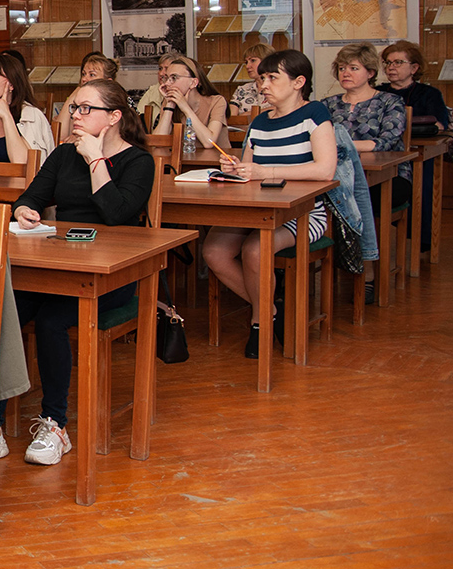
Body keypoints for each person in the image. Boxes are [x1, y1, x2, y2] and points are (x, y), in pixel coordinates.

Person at [0, 79, 153, 469]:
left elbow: (116, 213)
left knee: (50, 323)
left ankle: (55, 425)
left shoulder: (138, 162)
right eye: (73, 108)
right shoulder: (64, 156)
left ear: (114, 117)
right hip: (58, 265)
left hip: (113, 275)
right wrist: (25, 210)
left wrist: (96, 159)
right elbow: (31, 196)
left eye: (84, 109)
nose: (74, 116)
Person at [202, 50, 336, 358]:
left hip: (303, 213)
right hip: (258, 210)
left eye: (273, 77)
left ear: (298, 82)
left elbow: (324, 169)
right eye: (262, 77)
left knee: (254, 250)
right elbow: (250, 170)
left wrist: (268, 172)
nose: (263, 84)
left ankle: (259, 322)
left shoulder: (315, 114)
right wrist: (236, 170)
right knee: (213, 251)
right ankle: (273, 308)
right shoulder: (260, 122)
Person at [324, 44, 407, 294]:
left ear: (371, 72)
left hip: (387, 178)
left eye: (353, 68)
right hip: (336, 179)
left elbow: (386, 141)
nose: (345, 73)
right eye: (341, 68)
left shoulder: (390, 101)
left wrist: (342, 145)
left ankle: (366, 272)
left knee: (359, 198)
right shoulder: (326, 104)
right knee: (316, 199)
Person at [379, 40, 448, 251]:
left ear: (414, 68)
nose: (391, 67)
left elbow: (440, 124)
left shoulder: (429, 94)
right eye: (388, 63)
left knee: (423, 184)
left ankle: (422, 239)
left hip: (418, 153)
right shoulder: (377, 93)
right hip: (383, 155)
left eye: (398, 62)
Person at [152, 54, 231, 154]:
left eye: (174, 78)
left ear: (193, 82)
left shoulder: (217, 101)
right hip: (183, 163)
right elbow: (158, 142)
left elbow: (209, 142)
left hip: (216, 164)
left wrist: (185, 107)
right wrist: (169, 106)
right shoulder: (169, 102)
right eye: (166, 78)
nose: (167, 83)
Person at [54, 52, 118, 140]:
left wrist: (80, 137)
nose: (84, 79)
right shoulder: (80, 102)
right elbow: (59, 135)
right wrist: (75, 92)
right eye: (84, 74)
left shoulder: (116, 102)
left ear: (108, 81)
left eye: (92, 75)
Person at [134, 55, 180, 129]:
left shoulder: (183, 93)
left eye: (166, 69)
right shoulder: (152, 91)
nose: (161, 73)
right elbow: (137, 117)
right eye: (160, 68)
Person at [231, 42, 271, 113]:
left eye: (253, 60)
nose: (247, 66)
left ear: (266, 61)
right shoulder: (242, 89)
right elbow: (232, 118)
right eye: (246, 62)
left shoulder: (279, 87)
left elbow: (283, 110)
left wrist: (249, 115)